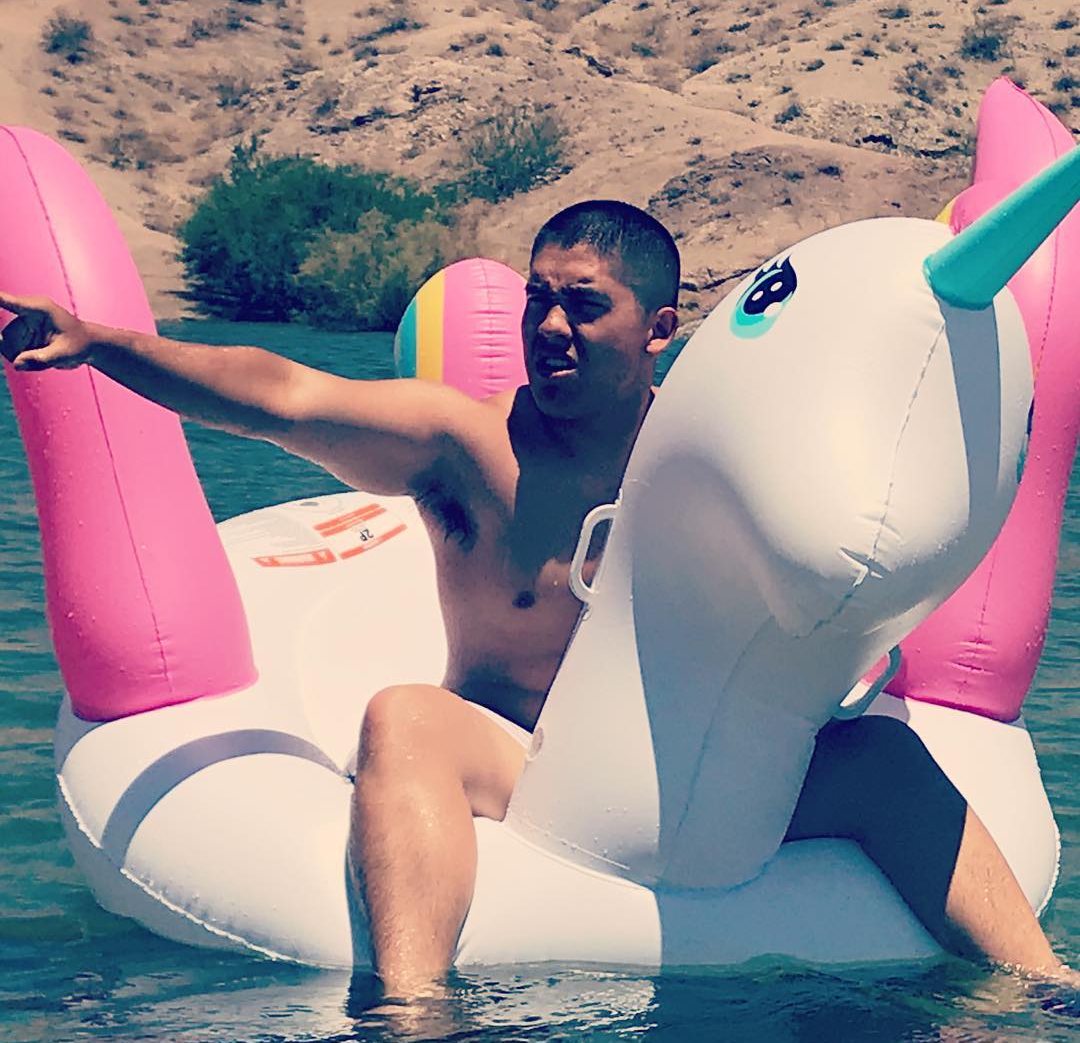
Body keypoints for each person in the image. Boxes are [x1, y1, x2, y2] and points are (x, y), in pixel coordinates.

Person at [0, 201, 1067, 997]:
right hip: (518, 766)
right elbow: (285, 396)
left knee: (882, 760)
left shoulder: (723, 456)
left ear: (659, 328)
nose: (550, 325)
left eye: (584, 305)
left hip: (702, 772)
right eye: (537, 299)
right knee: (405, 717)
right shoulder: (465, 446)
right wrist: (105, 345)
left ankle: (1042, 991)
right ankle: (414, 1011)